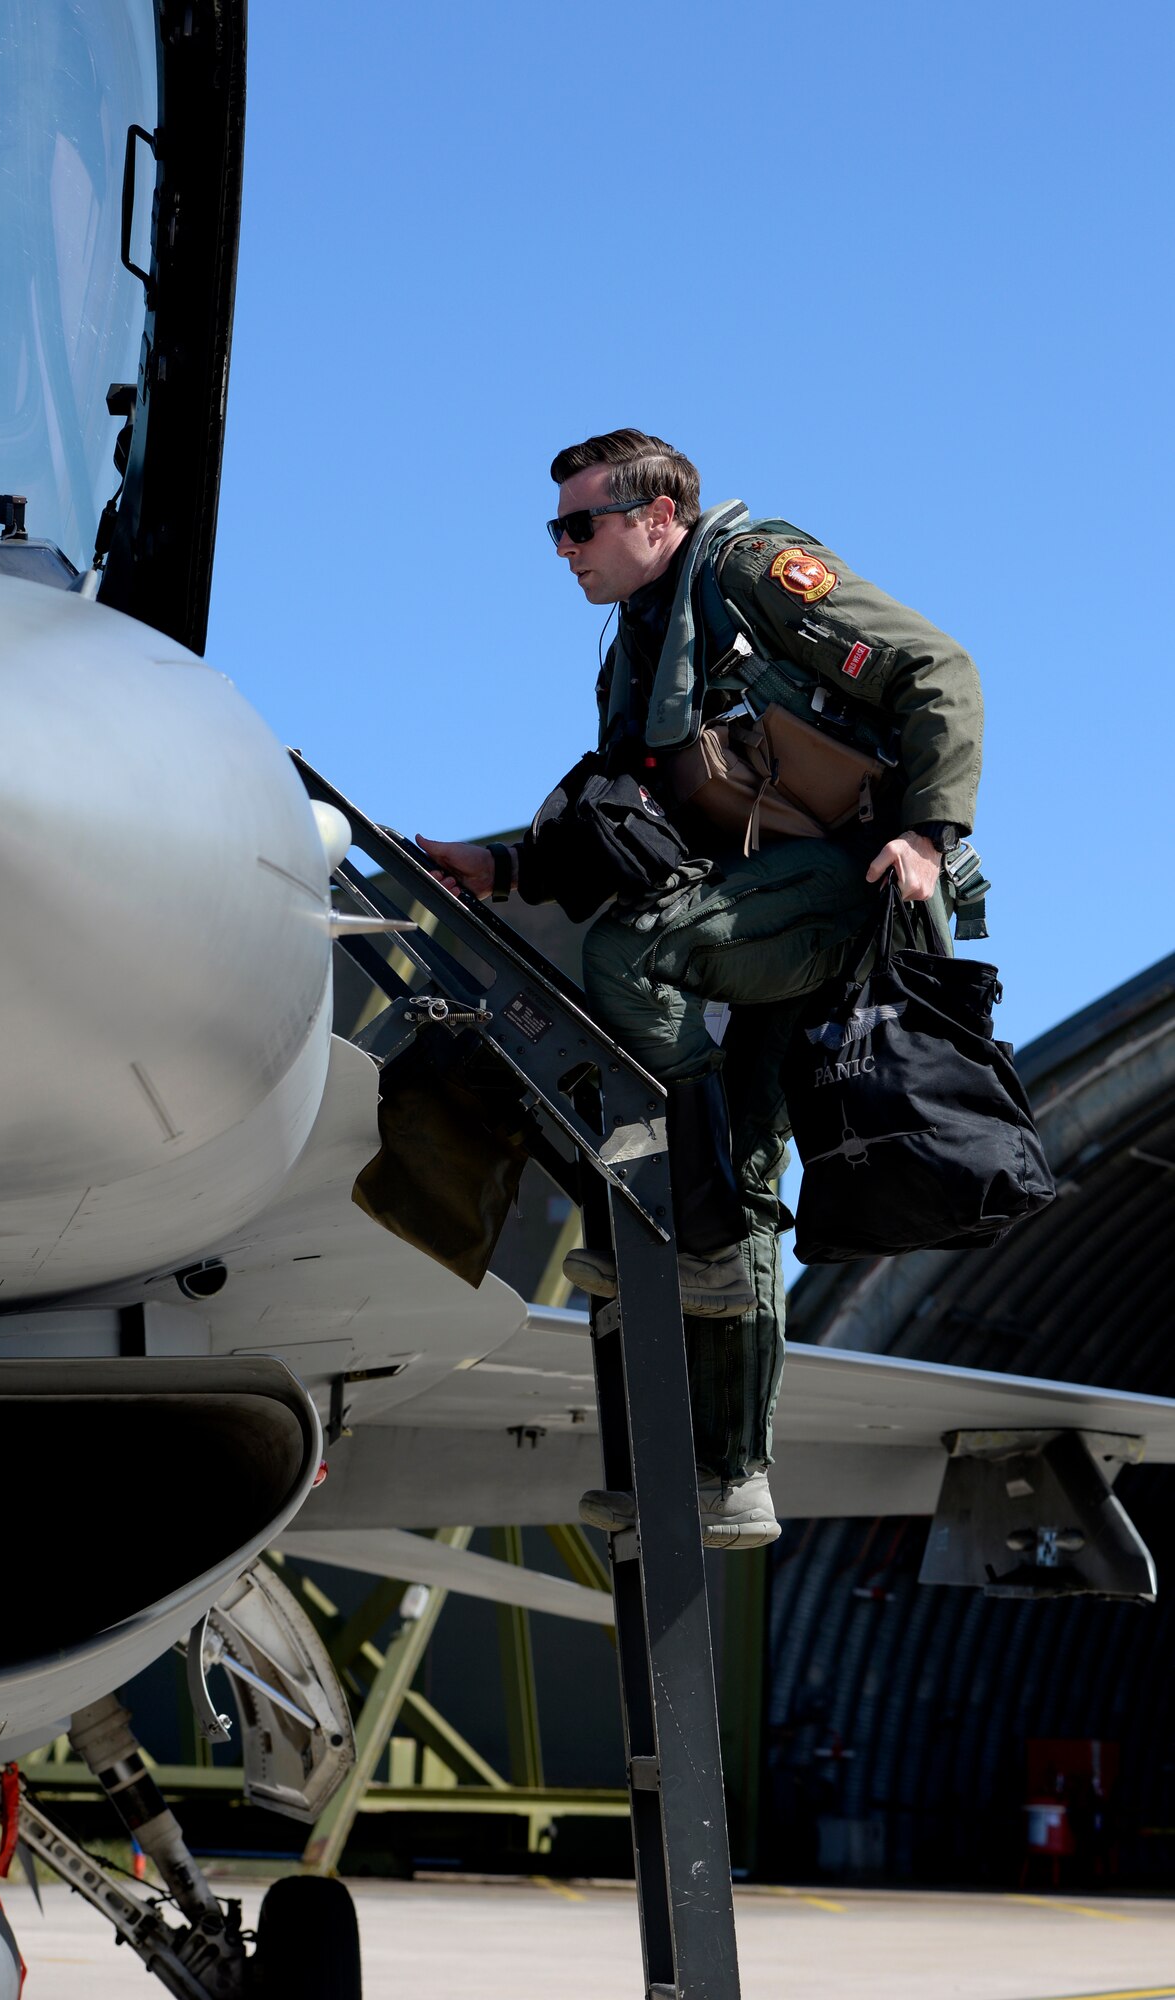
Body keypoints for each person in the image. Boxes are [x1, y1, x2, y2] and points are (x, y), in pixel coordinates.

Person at [418, 429, 983, 1550]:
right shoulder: (640, 638)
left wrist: (928, 833)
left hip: (847, 882)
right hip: (757, 899)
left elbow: (941, 670)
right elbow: (642, 814)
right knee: (751, 1163)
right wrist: (510, 869)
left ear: (659, 518)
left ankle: (700, 1209)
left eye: (583, 524)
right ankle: (730, 1477)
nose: (565, 548)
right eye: (557, 527)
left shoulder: (747, 572)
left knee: (629, 958)